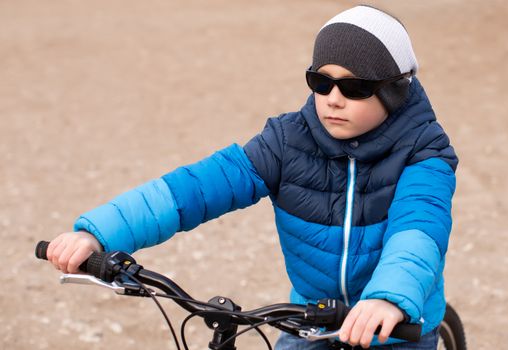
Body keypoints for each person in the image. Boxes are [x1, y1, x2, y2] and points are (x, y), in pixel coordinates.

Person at [45, 5, 458, 349]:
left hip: (394, 324)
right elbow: (194, 189)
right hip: (312, 317)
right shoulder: (286, 142)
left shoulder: (424, 153)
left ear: (393, 90)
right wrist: (100, 234)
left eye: (354, 87)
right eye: (321, 81)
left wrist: (389, 298)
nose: (333, 98)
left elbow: (417, 232)